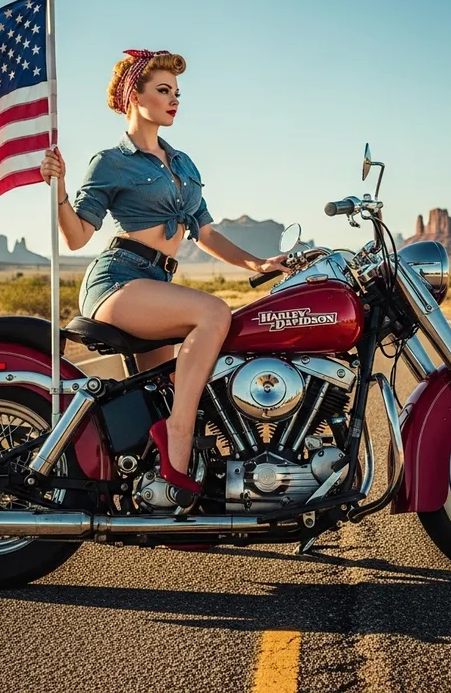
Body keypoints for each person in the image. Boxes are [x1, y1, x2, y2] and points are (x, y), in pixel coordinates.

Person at [40, 49, 289, 498]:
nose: (174, 100)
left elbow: (207, 234)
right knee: (215, 314)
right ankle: (178, 430)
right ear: (134, 97)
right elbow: (77, 237)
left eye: (176, 93)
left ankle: (170, 498)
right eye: (163, 91)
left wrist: (260, 264)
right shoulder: (111, 161)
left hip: (157, 284)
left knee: (171, 388)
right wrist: (58, 192)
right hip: (117, 280)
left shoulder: (183, 164)